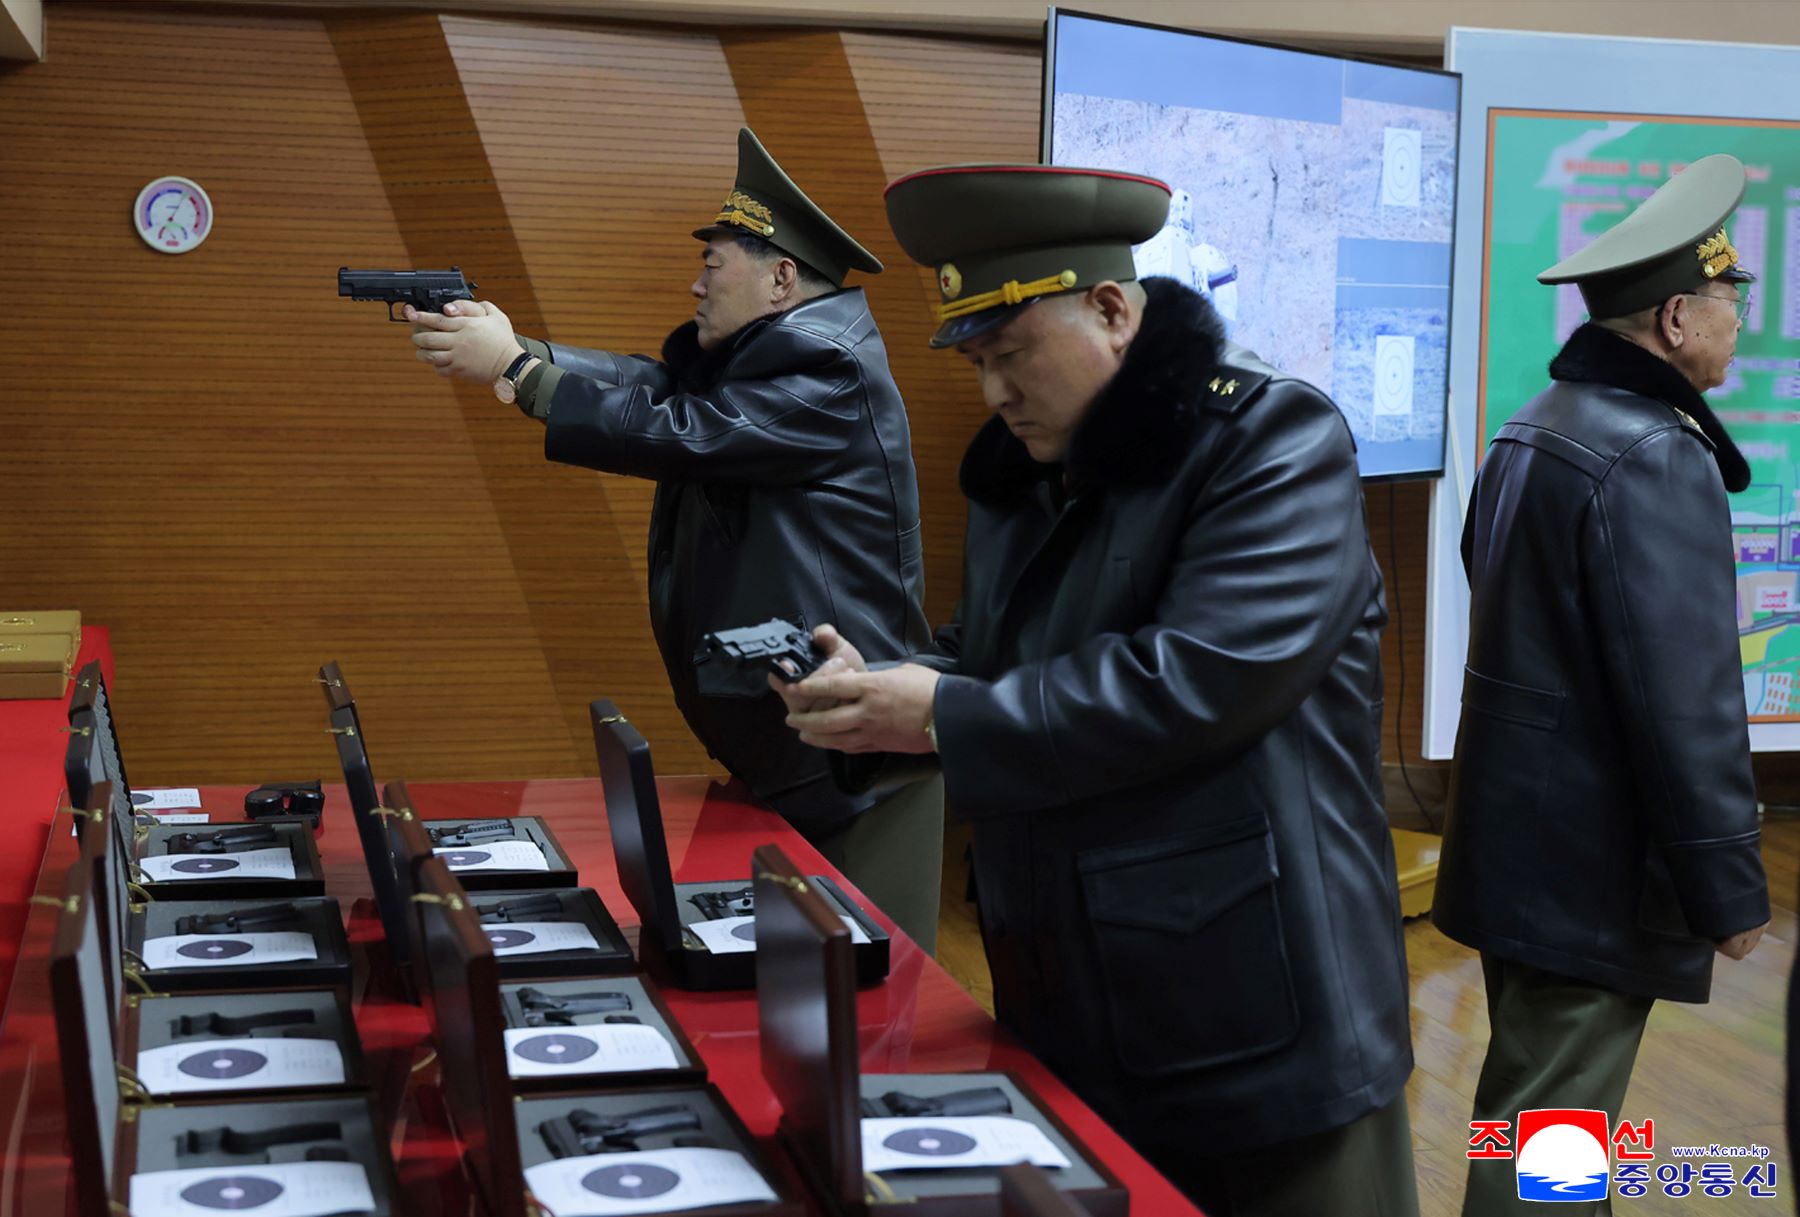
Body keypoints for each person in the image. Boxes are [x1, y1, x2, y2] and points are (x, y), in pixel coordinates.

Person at [772, 163, 1418, 1217]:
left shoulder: (1270, 438)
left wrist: (937, 712)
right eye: (977, 361)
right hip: (1072, 992)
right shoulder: (1024, 467)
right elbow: (1001, 659)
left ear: (1113, 310)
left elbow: (1198, 679)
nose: (995, 392)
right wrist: (878, 693)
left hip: (1256, 1005)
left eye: (1013, 353)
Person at [403, 127, 944, 952]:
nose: (697, 284)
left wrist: (518, 372)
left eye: (713, 266)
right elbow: (655, 383)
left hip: (858, 768)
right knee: (795, 975)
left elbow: (687, 430)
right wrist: (521, 348)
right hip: (806, 746)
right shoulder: (777, 350)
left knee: (874, 993)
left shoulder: (829, 368)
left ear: (781, 278)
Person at [1433, 153, 1771, 1217]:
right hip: (1592, 867)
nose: (1737, 321)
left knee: (1537, 1112)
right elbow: (1685, 699)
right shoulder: (1654, 453)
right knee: (1553, 1140)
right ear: (1675, 317)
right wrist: (1728, 887)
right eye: (1728, 298)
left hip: (1524, 847)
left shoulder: (1538, 421)